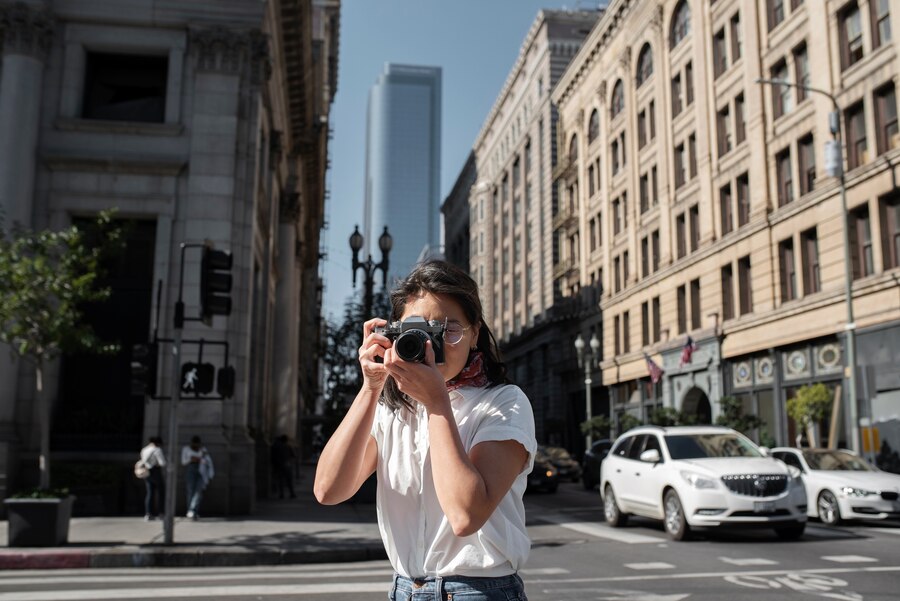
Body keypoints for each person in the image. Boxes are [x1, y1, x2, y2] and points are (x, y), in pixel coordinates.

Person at [314, 260, 536, 600]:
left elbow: (465, 515)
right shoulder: (391, 409)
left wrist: (436, 402)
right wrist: (371, 387)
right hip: (404, 588)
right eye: (418, 332)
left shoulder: (505, 403)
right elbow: (329, 490)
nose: (432, 346)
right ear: (395, 334)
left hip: (480, 591)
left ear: (475, 332)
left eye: (448, 330)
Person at [181, 435, 214, 520]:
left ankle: (194, 510)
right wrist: (191, 459)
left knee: (198, 491)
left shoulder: (203, 450)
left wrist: (200, 459)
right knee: (190, 491)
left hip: (201, 470)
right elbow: (183, 461)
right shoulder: (186, 449)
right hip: (191, 470)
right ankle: (191, 511)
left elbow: (208, 461)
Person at [139, 436, 166, 520]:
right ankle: (161, 512)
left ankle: (148, 513)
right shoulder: (157, 450)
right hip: (156, 471)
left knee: (150, 493)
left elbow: (143, 460)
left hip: (147, 471)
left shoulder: (144, 450)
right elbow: (162, 463)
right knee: (161, 492)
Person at [270, 434, 297, 499]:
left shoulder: (275, 446)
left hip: (279, 465)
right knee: (289, 480)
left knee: (280, 480)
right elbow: (293, 455)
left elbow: (272, 457)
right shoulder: (288, 446)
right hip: (287, 465)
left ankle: (281, 494)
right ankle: (292, 493)